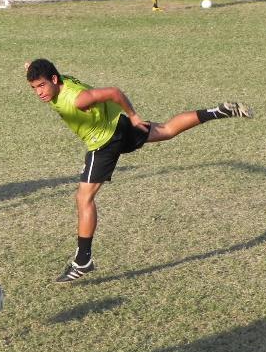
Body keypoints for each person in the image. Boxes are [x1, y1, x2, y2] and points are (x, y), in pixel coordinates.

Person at [25, 58, 253, 283]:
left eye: (42, 85)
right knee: (167, 130)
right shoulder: (58, 80)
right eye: (34, 88)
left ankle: (83, 259)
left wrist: (134, 116)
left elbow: (114, 92)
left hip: (103, 143)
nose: (39, 92)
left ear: (54, 79)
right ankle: (219, 111)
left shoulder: (78, 100)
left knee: (83, 198)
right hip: (118, 125)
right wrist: (31, 68)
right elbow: (41, 73)